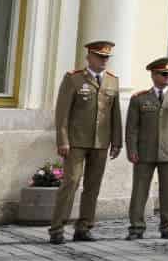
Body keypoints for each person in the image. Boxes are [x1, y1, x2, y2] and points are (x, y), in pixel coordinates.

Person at [49, 40, 123, 245]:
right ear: (89, 57)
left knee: (93, 186)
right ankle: (57, 228)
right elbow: (62, 113)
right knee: (71, 182)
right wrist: (62, 140)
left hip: (101, 142)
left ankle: (84, 227)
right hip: (76, 142)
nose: (103, 60)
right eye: (100, 56)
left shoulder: (112, 81)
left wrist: (117, 142)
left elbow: (115, 114)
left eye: (106, 57)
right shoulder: (74, 79)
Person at [123, 57, 168, 241]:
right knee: (139, 191)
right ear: (153, 75)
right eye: (164, 74)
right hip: (144, 152)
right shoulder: (139, 98)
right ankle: (136, 227)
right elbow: (132, 128)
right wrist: (131, 150)